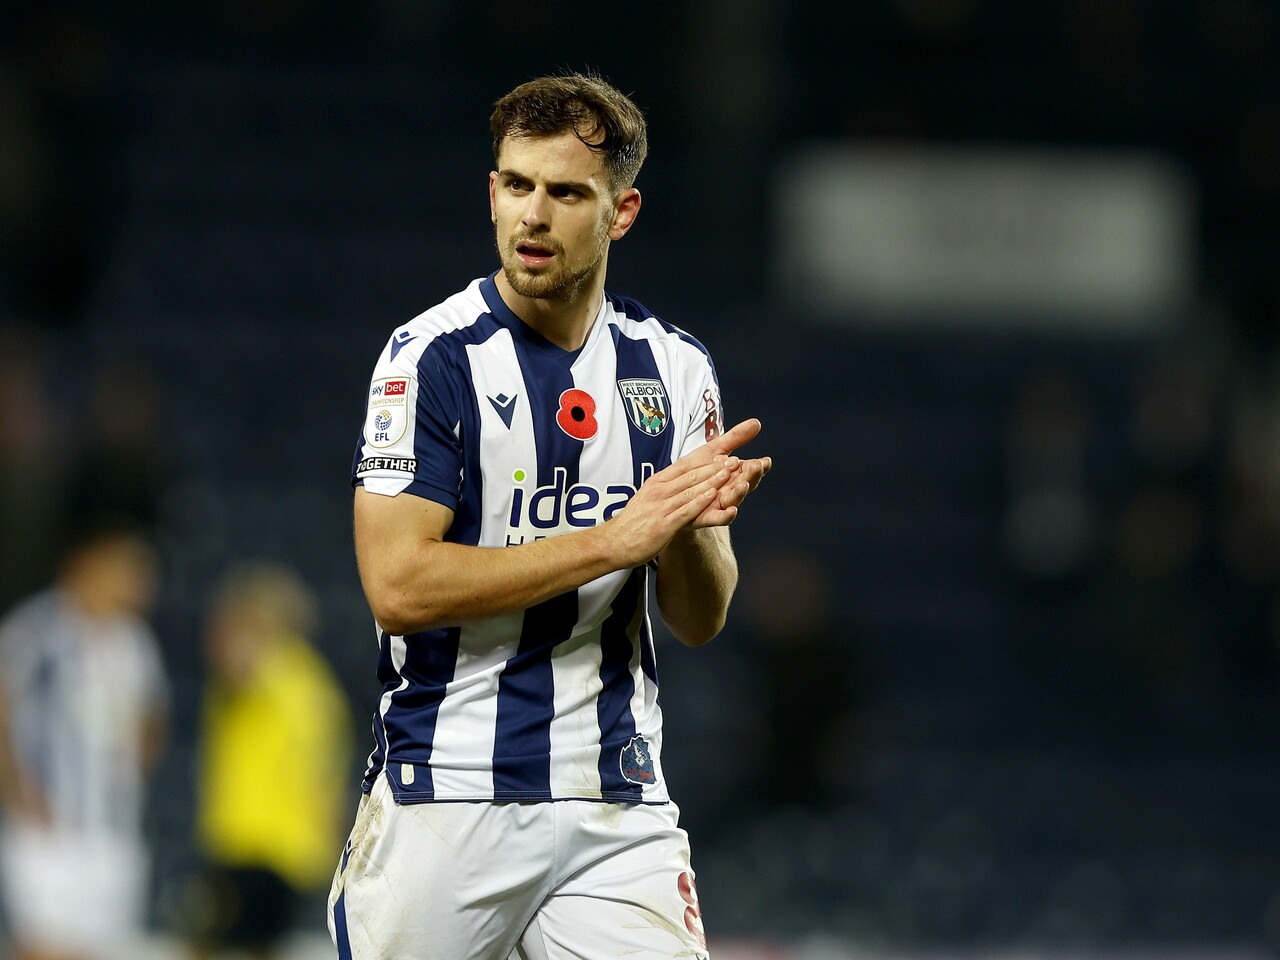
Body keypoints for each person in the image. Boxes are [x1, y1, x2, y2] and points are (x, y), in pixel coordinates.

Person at [328, 71, 771, 960]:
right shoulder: (430, 359)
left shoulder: (676, 371)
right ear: (492, 192)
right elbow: (399, 587)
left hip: (615, 805)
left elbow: (699, 616)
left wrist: (685, 531)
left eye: (567, 192)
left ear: (621, 213)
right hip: (446, 797)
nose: (534, 215)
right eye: (517, 185)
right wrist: (617, 539)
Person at [0, 524, 169, 960]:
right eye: (127, 570)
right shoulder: (35, 631)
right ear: (87, 568)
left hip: (113, 833)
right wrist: (17, 791)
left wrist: (130, 777)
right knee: (43, 948)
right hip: (47, 830)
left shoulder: (135, 643)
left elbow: (153, 718)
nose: (139, 583)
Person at [189, 562, 352, 960]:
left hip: (248, 839)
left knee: (205, 945)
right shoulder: (316, 682)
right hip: (291, 847)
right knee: (260, 947)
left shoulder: (265, 668)